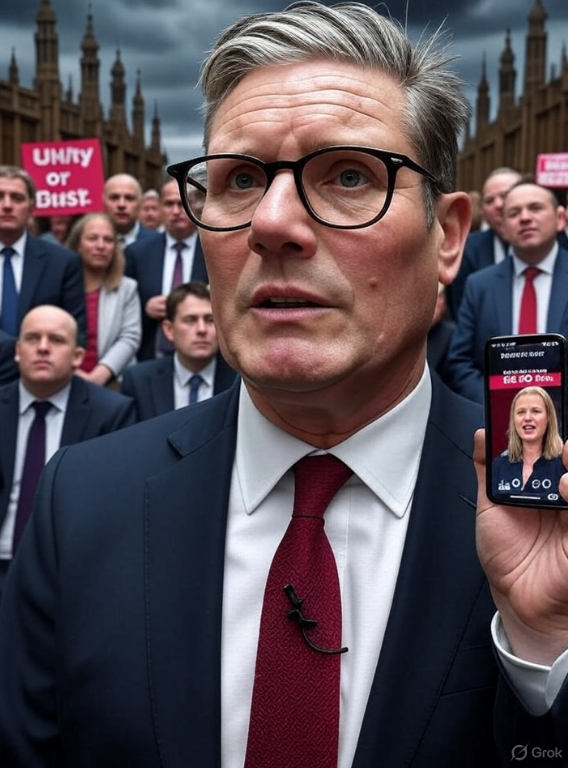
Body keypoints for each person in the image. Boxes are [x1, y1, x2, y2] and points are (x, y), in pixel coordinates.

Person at [1, 4, 568, 767]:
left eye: (349, 176)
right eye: (239, 179)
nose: (272, 222)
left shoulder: (543, 515)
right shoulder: (82, 504)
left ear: (449, 236)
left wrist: (544, 649)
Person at [0, 305, 135, 597]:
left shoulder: (110, 413)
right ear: (17, 351)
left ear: (77, 356)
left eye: (56, 340)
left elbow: (113, 501)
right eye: (33, 338)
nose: (43, 348)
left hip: (70, 569)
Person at [447, 181, 568, 403]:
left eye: (535, 208)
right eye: (514, 213)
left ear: (560, 218)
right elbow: (459, 362)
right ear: (502, 226)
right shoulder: (479, 286)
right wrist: (498, 405)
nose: (525, 217)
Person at [0, 165, 86, 384]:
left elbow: (75, 331)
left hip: (42, 384)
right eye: (0, 196)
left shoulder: (63, 263)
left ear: (31, 208)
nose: (7, 205)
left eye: (17, 198)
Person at [121, 281, 237, 421]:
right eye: (190, 320)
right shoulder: (139, 380)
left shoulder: (240, 380)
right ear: (169, 330)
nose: (201, 329)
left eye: (210, 320)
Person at [125, 178, 208, 360]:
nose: (176, 211)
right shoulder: (137, 253)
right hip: (150, 355)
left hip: (204, 355)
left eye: (182, 203)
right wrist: (144, 308)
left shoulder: (214, 251)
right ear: (160, 208)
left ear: (196, 206)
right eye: (169, 204)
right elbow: (123, 310)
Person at [66, 212, 142, 386]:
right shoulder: (59, 284)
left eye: (108, 240)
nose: (101, 246)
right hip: (64, 378)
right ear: (78, 244)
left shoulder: (127, 288)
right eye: (92, 238)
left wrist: (100, 374)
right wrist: (71, 371)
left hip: (112, 381)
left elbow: (130, 337)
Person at [446, 167, 522, 318]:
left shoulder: (559, 247)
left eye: (505, 195)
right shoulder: (467, 249)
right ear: (482, 212)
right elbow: (460, 313)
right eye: (489, 200)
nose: (498, 204)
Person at [492, 386, 565, 499]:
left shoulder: (563, 465)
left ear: (548, 418)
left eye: (535, 411)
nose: (527, 418)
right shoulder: (497, 466)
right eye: (521, 412)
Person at [102, 173, 156, 247]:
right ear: (103, 201)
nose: (121, 205)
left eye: (129, 198)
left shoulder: (158, 244)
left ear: (140, 203)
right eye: (114, 198)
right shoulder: (89, 244)